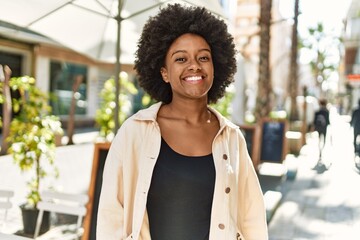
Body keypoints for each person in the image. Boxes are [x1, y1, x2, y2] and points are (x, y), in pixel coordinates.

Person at [97, 4, 268, 240]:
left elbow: (252, 219)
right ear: (164, 72)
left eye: (203, 57)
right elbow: (110, 216)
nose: (194, 65)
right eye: (180, 58)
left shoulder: (231, 137)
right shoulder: (134, 132)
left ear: (215, 66)